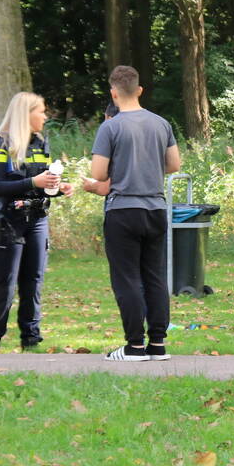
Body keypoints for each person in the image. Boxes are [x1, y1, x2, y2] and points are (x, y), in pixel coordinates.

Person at [87, 66, 181, 361]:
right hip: (155, 208)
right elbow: (174, 165)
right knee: (155, 276)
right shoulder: (161, 124)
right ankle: (158, 344)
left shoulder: (110, 127)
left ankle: (134, 345)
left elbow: (98, 173)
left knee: (126, 277)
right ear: (140, 90)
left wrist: (98, 182)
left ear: (114, 93)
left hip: (123, 209)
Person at [0, 92, 74, 352]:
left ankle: (31, 341)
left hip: (37, 219)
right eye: (41, 111)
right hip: (7, 221)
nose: (45, 116)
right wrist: (34, 182)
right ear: (26, 114)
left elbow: (41, 184)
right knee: (6, 284)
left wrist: (58, 187)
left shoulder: (40, 142)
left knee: (33, 281)